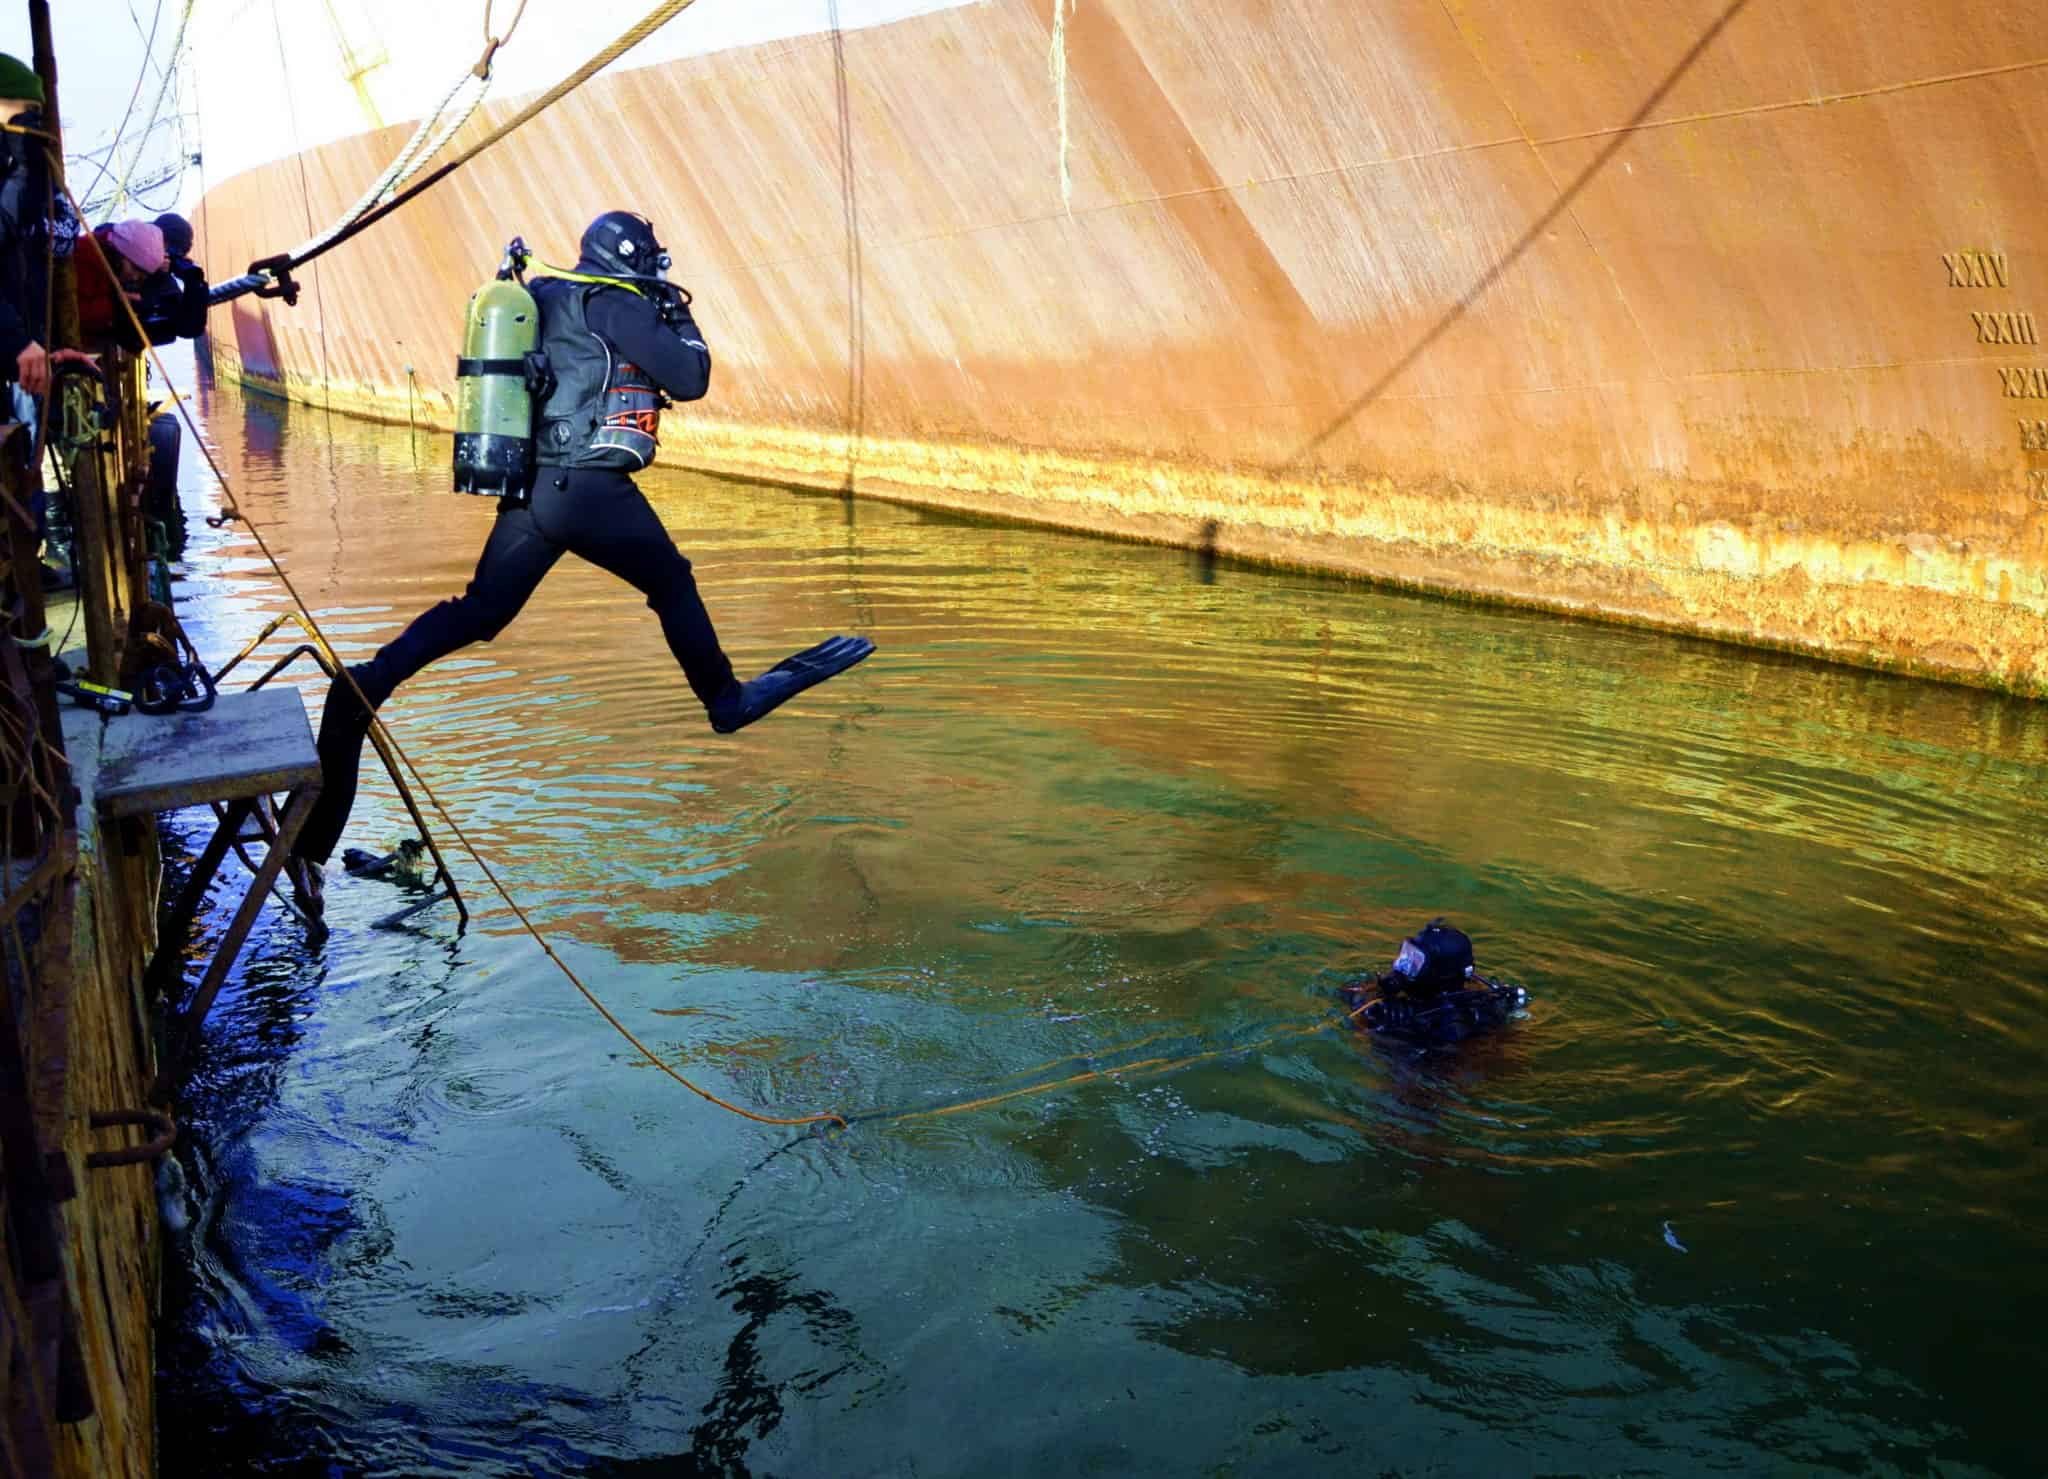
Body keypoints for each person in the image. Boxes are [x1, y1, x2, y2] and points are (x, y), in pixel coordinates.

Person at [291, 210, 876, 891]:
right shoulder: (616, 305)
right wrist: (677, 316)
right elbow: (690, 378)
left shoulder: (545, 295)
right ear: (633, 262)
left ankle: (370, 679)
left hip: (534, 492)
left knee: (480, 610)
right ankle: (726, 702)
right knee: (674, 585)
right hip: (591, 490)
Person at [1340, 919, 1529, 1045]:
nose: (1404, 965)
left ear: (1439, 975)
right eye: (1407, 954)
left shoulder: (1446, 1025)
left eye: (1416, 961)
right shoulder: (1437, 990)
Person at [76, 219, 164, 349]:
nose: (134, 277)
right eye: (134, 268)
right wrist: (116, 305)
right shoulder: (84, 256)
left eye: (141, 276)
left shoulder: (110, 267)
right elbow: (72, 313)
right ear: (121, 252)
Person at [140, 211, 207, 342]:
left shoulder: (163, 282)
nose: (163, 255)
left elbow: (190, 328)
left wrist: (193, 283)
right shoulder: (126, 238)